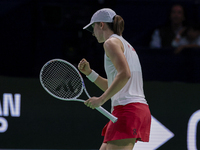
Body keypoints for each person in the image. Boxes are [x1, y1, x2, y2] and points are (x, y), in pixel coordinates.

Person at [78, 8, 151, 150]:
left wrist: (101, 100)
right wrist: (90, 73)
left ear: (101, 25)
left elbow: (125, 74)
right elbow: (116, 85)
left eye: (93, 28)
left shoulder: (110, 43)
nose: (93, 33)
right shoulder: (124, 44)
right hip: (129, 109)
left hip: (128, 109)